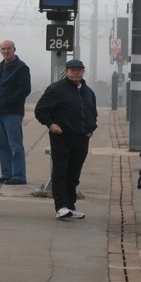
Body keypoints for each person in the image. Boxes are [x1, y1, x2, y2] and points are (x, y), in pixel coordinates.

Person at [34, 59, 98, 220]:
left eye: (79, 70)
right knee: (60, 172)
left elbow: (92, 112)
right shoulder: (56, 89)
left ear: (83, 72)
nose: (76, 72)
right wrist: (50, 124)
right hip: (62, 137)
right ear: (67, 71)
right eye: (73, 70)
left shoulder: (88, 91)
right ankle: (61, 206)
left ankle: (71, 206)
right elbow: (40, 110)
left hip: (82, 138)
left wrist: (91, 128)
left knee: (74, 174)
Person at [0, 40, 32, 186]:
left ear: (14, 49)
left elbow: (24, 89)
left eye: (9, 48)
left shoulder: (21, 68)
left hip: (13, 112)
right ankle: (6, 173)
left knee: (15, 145)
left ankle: (19, 175)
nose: (6, 51)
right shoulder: (0, 66)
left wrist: (7, 101)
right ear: (0, 50)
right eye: (3, 49)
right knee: (3, 145)